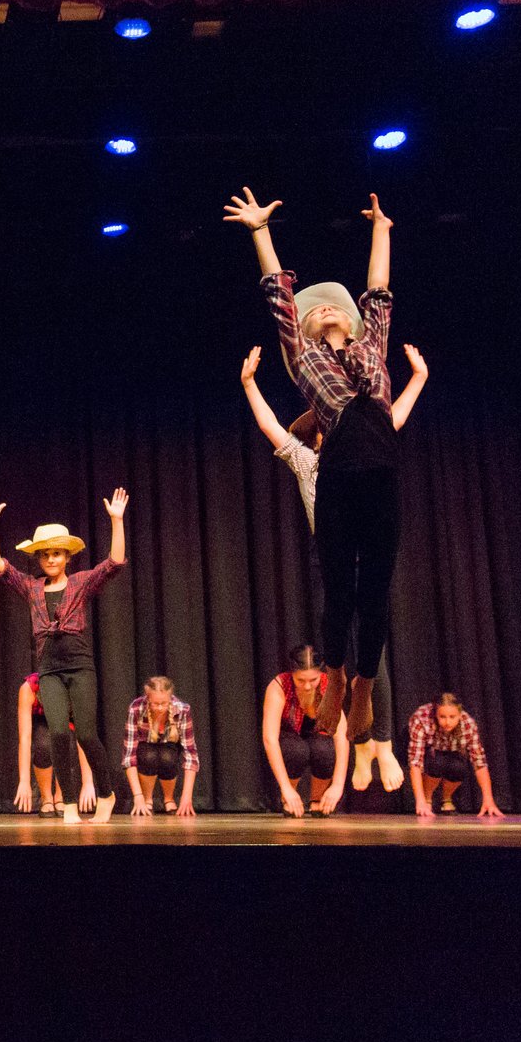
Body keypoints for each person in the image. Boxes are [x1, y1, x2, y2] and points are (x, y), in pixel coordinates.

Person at [226, 188, 402, 746]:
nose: (323, 308)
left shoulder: (372, 346)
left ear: (352, 320)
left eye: (333, 306)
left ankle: (364, 683)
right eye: (315, 309)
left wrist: (381, 231)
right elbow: (278, 294)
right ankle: (334, 674)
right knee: (339, 588)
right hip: (339, 472)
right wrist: (260, 230)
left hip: (382, 467)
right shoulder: (303, 358)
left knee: (375, 589)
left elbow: (379, 292)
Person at [240, 341, 428, 793]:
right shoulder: (309, 463)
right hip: (334, 553)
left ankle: (382, 743)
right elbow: (270, 426)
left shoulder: (370, 439)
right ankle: (363, 746)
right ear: (321, 435)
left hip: (369, 547)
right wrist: (248, 384)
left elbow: (395, 414)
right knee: (340, 635)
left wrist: (419, 377)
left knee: (374, 641)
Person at [0, 485, 128, 824]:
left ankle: (106, 794)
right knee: (59, 733)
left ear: (67, 557)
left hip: (79, 666)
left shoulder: (80, 583)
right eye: (45, 554)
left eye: (57, 554)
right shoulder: (32, 587)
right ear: (38, 558)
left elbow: (114, 563)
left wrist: (117, 521)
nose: (51, 559)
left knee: (86, 733)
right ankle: (69, 803)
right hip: (49, 669)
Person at [261, 645, 348, 817]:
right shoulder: (279, 686)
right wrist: (286, 788)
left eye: (313, 680)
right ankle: (290, 799)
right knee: (296, 751)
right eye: (301, 680)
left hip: (318, 733)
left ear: (320, 674)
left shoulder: (329, 685)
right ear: (292, 674)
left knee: (324, 750)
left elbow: (341, 735)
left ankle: (317, 799)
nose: (307, 686)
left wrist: (338, 785)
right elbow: (269, 738)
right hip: (289, 736)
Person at [407, 693, 502, 818]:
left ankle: (446, 799)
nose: (447, 722)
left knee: (458, 768)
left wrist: (488, 799)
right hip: (428, 751)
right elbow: (415, 763)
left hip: (451, 750)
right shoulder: (422, 720)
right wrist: (420, 801)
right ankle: (427, 799)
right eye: (442, 717)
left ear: (460, 714)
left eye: (452, 717)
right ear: (435, 714)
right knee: (436, 764)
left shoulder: (468, 724)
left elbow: (479, 763)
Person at [12, 673, 93, 817]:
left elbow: (83, 737)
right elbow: (24, 738)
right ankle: (46, 798)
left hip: (64, 720)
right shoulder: (29, 688)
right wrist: (24, 781)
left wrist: (88, 782)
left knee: (66, 741)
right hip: (40, 719)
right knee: (43, 745)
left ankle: (61, 796)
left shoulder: (74, 689)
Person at [121, 676, 200, 816]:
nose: (160, 708)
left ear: (170, 698)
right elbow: (129, 755)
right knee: (149, 756)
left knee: (167, 757)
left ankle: (169, 799)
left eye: (164, 703)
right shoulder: (136, 708)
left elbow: (190, 754)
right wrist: (137, 796)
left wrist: (186, 797)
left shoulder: (182, 710)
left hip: (170, 749)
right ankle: (147, 800)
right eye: (155, 703)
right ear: (148, 698)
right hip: (145, 749)